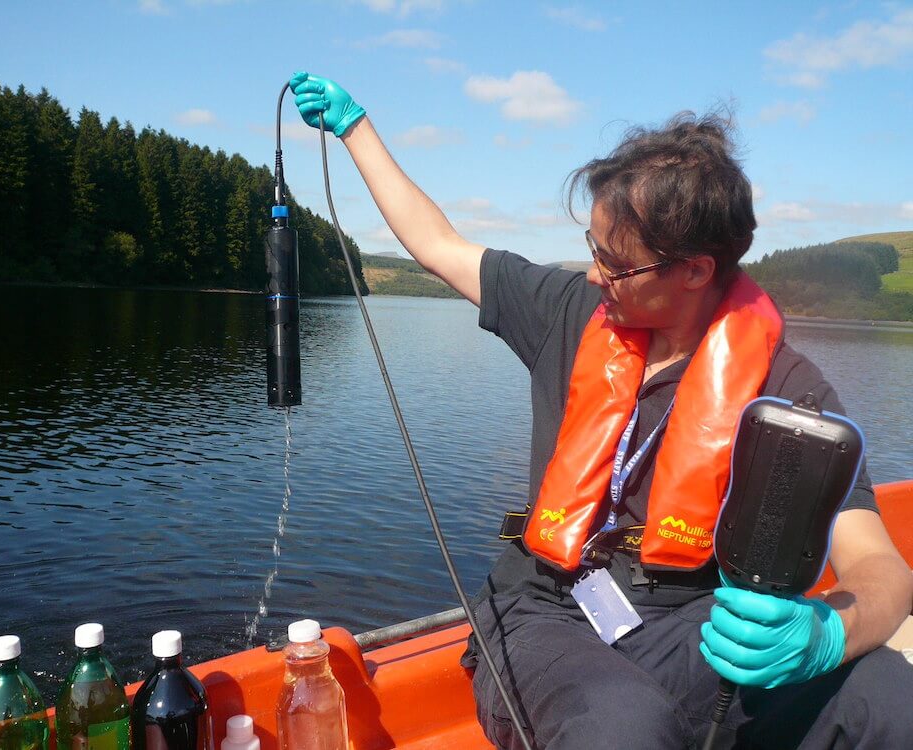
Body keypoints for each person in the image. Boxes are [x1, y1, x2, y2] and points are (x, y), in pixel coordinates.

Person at [289, 72, 913, 748]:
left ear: (696, 271)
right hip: (541, 613)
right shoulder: (569, 310)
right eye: (592, 249)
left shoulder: (788, 390)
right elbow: (438, 246)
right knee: (625, 729)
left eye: (613, 264)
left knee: (888, 698)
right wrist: (356, 129)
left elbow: (880, 568)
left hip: (684, 626)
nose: (593, 275)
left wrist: (826, 635)